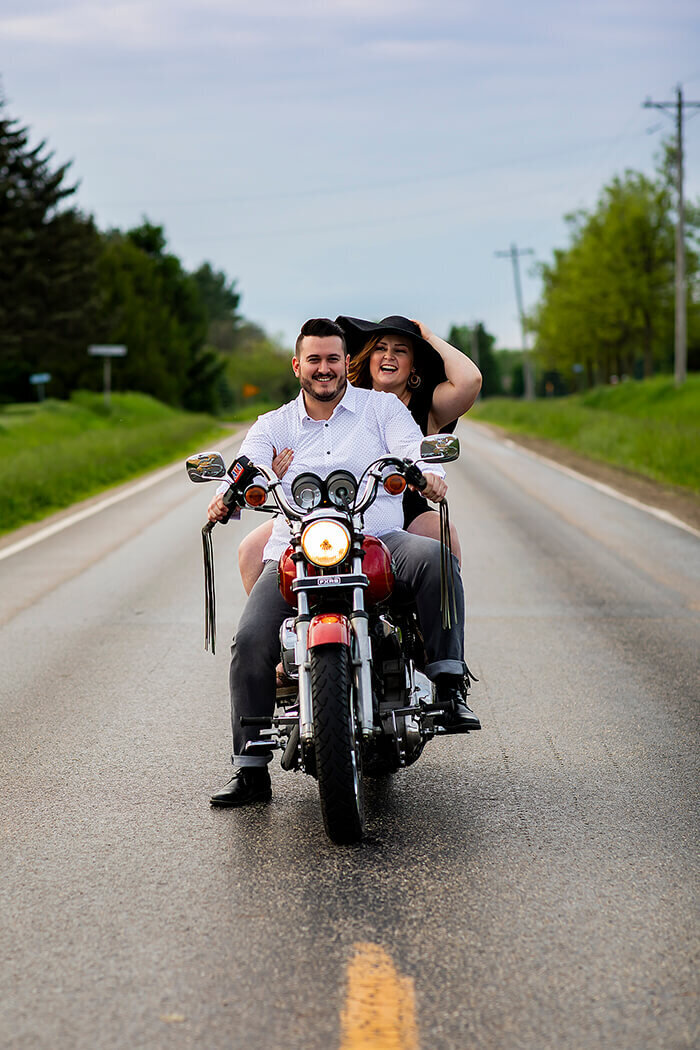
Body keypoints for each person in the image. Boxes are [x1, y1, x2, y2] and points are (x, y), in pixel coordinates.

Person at [206, 317, 480, 808]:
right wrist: (229, 494)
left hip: (375, 538)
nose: (325, 368)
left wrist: (427, 474)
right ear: (298, 366)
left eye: (333, 358)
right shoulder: (274, 425)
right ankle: (249, 768)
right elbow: (251, 462)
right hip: (296, 546)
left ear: (344, 364)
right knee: (249, 640)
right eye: (314, 359)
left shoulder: (380, 409)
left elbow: (410, 449)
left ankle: (448, 680)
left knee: (436, 555)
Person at [237, 316, 481, 594]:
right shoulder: (344, 397)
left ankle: (439, 619)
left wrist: (428, 338)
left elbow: (469, 381)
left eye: (400, 350)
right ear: (363, 358)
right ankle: (275, 626)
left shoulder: (422, 402)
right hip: (322, 502)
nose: (388, 356)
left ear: (413, 365)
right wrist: (260, 478)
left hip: (402, 500)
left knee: (441, 538)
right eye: (380, 348)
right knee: (251, 549)